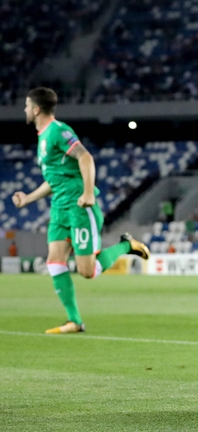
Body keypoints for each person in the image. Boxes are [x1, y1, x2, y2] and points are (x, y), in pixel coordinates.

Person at [11, 87, 150, 334]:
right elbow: (54, 179)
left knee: (88, 271)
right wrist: (28, 198)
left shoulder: (58, 131)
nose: (24, 110)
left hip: (78, 206)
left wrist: (87, 193)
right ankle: (74, 320)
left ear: (36, 109)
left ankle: (126, 245)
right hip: (59, 208)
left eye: (26, 105)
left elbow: (85, 158)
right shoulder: (43, 137)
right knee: (55, 261)